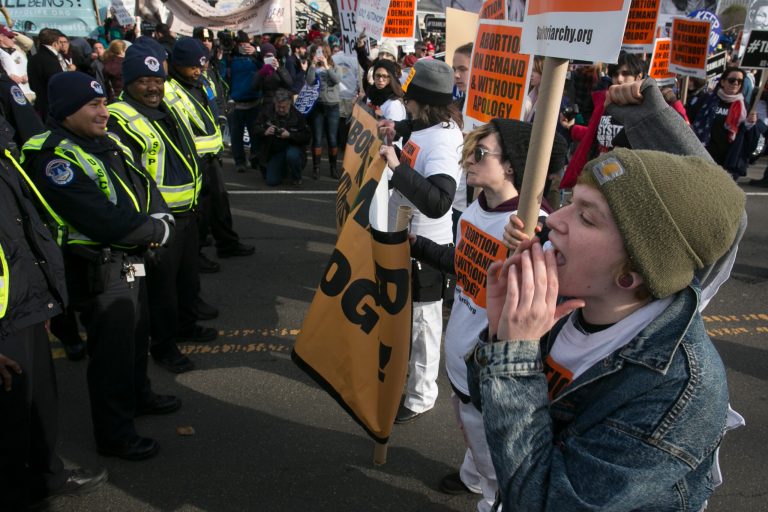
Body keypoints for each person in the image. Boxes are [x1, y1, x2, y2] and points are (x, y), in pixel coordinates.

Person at [466, 146, 745, 511]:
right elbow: (488, 404)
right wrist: (500, 332)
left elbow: (542, 501)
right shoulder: (562, 305)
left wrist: (512, 357)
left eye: (587, 218)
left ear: (631, 274)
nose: (554, 220)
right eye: (569, 201)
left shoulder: (677, 387)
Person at [19, 71, 182, 460]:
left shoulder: (105, 143)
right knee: (110, 356)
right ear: (67, 110)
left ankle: (139, 396)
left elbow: (144, 184)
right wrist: (156, 231)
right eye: (93, 105)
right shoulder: (55, 157)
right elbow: (100, 219)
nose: (103, 111)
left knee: (136, 337)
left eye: (103, 102)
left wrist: (161, 219)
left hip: (130, 259)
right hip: (100, 267)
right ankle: (115, 435)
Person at [410, 119, 566, 511]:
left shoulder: (533, 227)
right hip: (461, 356)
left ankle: (494, 499)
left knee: (494, 449)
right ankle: (473, 476)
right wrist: (419, 246)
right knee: (471, 430)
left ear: (512, 165)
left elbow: (555, 301)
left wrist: (540, 246)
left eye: (481, 153)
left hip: (490, 368)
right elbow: (464, 266)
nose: (469, 160)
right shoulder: (473, 212)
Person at [0, 108, 109, 509]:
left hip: (25, 305)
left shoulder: (5, 148)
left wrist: (43, 299)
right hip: (4, 325)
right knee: (8, 422)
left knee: (38, 407)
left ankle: (46, 475)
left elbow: (24, 229)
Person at [107, 43, 217, 374]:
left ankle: (186, 325)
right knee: (160, 291)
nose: (153, 87)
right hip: (158, 221)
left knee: (186, 280)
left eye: (157, 80)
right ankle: (164, 346)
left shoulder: (166, 106)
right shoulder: (119, 118)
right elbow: (128, 178)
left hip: (186, 214)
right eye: (144, 81)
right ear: (128, 83)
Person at [377, 59, 464, 423]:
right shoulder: (428, 124)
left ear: (424, 101)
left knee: (423, 325)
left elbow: (439, 201)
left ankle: (421, 395)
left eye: (410, 99)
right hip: (406, 236)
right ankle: (407, 380)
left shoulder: (444, 139)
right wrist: (397, 127)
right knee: (408, 319)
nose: (405, 102)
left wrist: (398, 167)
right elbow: (416, 129)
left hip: (425, 244)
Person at [165, 37, 254, 272]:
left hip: (211, 156)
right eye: (193, 66)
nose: (197, 71)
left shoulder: (201, 80)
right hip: (191, 160)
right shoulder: (170, 89)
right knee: (199, 213)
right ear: (178, 64)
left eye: (201, 66)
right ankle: (196, 253)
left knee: (219, 204)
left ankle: (227, 243)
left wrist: (221, 117)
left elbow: (213, 103)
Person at [559, 52, 644, 189]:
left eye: (625, 74)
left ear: (638, 77)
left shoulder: (644, 110)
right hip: (595, 180)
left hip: (623, 186)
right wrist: (571, 128)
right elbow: (593, 136)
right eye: (615, 74)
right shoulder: (604, 103)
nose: (620, 79)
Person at [690, 67, 761, 179]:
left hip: (729, 161)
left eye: (740, 81)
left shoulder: (745, 107)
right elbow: (688, 119)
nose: (736, 83)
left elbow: (749, 140)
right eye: (732, 80)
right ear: (723, 82)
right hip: (704, 158)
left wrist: (749, 125)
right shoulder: (707, 100)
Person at [253, 88, 311, 186]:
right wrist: (264, 132)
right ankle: (283, 171)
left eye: (284, 107)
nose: (281, 109)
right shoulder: (266, 113)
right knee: (272, 182)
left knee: (292, 156)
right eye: (278, 106)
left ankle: (297, 177)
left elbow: (307, 137)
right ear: (275, 103)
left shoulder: (297, 116)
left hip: (292, 147)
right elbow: (254, 129)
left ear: (290, 104)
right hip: (275, 151)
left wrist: (290, 135)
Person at [227, 31, 262, 174]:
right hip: (236, 103)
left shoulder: (255, 58)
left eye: (245, 44)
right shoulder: (230, 58)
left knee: (256, 134)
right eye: (240, 44)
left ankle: (255, 158)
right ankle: (240, 161)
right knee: (236, 135)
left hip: (254, 101)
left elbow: (267, 68)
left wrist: (256, 53)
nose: (243, 47)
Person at [306, 42, 341, 179]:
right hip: (318, 106)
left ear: (327, 54)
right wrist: (313, 66)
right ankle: (316, 168)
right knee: (317, 138)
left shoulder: (335, 67)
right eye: (316, 53)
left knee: (332, 138)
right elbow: (309, 81)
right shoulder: (313, 67)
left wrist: (327, 66)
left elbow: (337, 80)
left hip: (332, 106)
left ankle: (333, 168)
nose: (319, 55)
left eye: (321, 52)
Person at [27, 28, 67, 120]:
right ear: (55, 43)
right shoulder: (52, 60)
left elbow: (32, 85)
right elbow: (60, 84)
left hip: (42, 105)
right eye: (60, 42)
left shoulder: (33, 59)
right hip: (56, 106)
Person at [252, 42, 293, 108]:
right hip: (268, 104)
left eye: (271, 56)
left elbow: (289, 83)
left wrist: (278, 69)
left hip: (282, 103)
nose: (269, 58)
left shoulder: (280, 68)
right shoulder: (260, 70)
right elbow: (254, 87)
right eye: (266, 56)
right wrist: (261, 73)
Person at [0, 26, 33, 102]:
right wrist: (9, 77)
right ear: (1, 37)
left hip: (30, 91)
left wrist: (12, 32)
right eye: (10, 37)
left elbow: (29, 43)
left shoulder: (18, 49)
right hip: (14, 95)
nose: (14, 40)